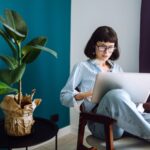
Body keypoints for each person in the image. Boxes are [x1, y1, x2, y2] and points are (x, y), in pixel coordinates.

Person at [60, 26, 150, 141]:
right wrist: (85, 94)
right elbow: (64, 96)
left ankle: (143, 130)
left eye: (110, 47)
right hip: (101, 124)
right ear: (94, 45)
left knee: (122, 96)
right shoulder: (82, 67)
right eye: (102, 46)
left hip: (122, 121)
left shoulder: (117, 68)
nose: (106, 52)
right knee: (115, 94)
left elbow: (125, 100)